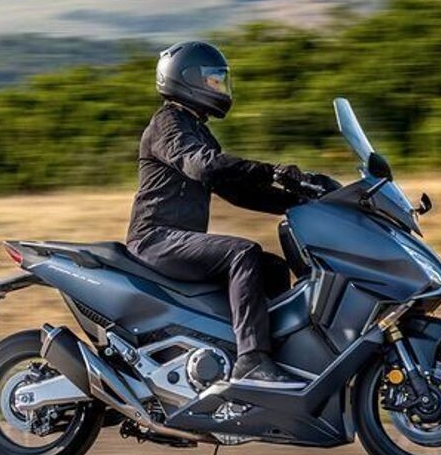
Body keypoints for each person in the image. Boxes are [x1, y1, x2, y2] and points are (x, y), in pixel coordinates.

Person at [126, 41, 334, 387]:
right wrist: (270, 171)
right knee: (242, 254)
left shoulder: (196, 128)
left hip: (177, 238)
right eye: (212, 80)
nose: (220, 87)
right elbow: (203, 166)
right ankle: (252, 360)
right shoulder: (168, 124)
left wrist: (299, 202)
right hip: (155, 239)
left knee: (272, 268)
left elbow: (236, 192)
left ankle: (280, 353)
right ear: (186, 80)